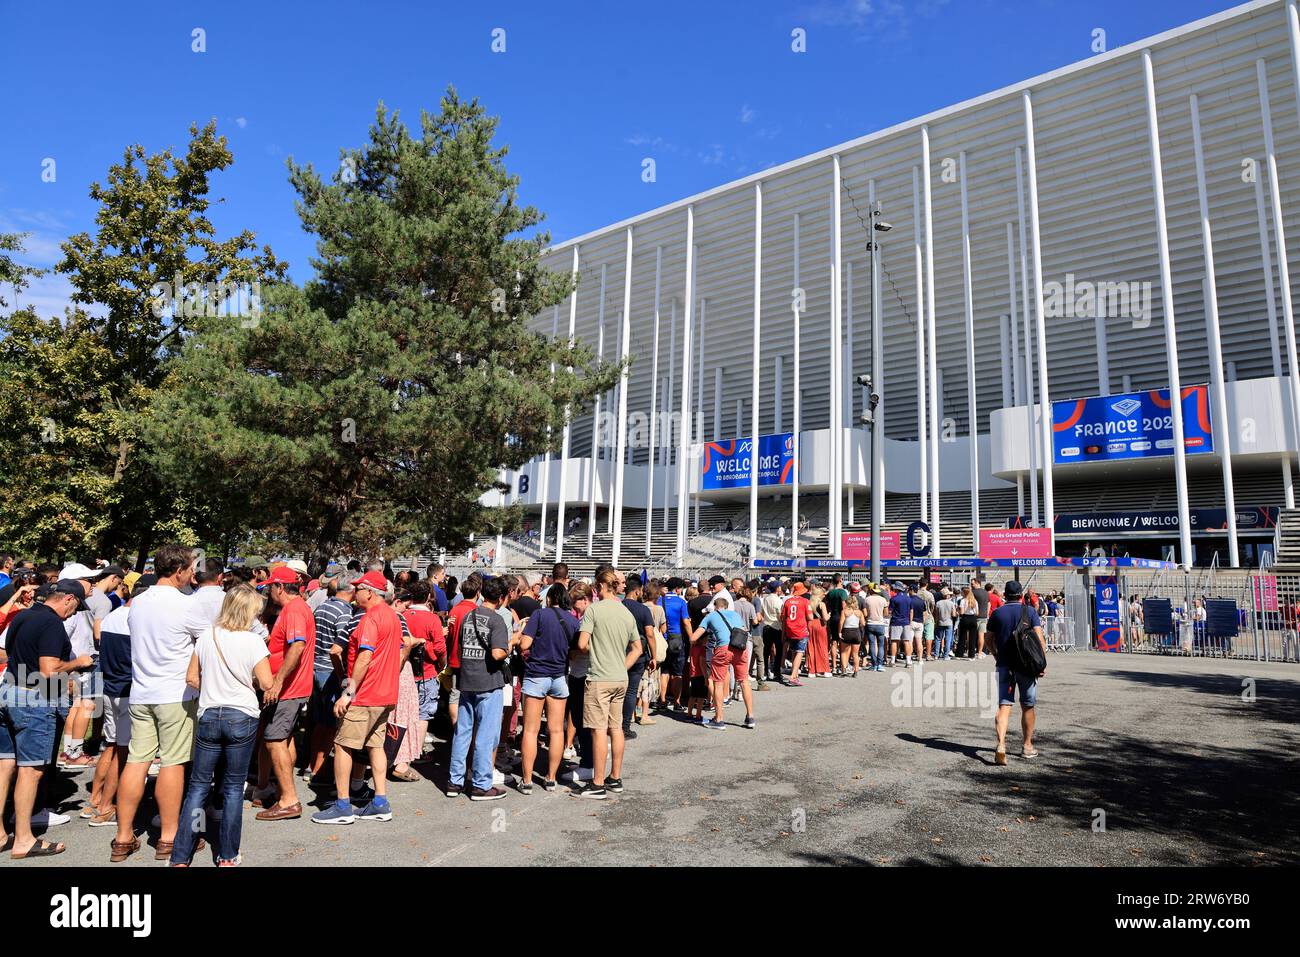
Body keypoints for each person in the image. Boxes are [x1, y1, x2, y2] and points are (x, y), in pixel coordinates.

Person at [170, 586, 273, 866]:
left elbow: (192, 678)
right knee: (232, 787)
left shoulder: (207, 636)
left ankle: (181, 854)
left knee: (198, 787)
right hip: (242, 713)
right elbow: (266, 683)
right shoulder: (253, 642)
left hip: (210, 712)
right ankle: (227, 854)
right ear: (249, 611)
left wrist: (213, 688)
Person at [112, 544, 199, 863]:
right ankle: (170, 836)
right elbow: (206, 642)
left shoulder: (138, 602)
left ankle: (122, 837)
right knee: (173, 763)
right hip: (175, 693)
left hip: (142, 692)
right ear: (178, 571)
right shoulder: (186, 604)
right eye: (190, 568)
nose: (193, 574)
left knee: (137, 761)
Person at [0, 580, 95, 859]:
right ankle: (24, 839)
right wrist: (80, 662)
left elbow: (8, 652)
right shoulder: (52, 624)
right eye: (76, 607)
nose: (74, 613)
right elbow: (49, 670)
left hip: (8, 692)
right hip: (33, 698)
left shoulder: (24, 615)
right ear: (67, 599)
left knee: (5, 765)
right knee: (31, 770)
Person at [312, 570, 408, 823]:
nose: (354, 593)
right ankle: (380, 801)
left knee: (343, 745)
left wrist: (348, 693)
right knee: (375, 745)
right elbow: (400, 651)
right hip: (385, 694)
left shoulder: (370, 619)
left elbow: (365, 656)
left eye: (358, 589)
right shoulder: (393, 616)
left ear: (370, 592)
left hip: (366, 695)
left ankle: (343, 806)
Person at [445, 576, 513, 801]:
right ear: (502, 598)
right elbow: (496, 653)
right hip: (488, 682)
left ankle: (454, 781)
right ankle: (481, 785)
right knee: (485, 734)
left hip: (466, 680)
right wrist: (509, 647)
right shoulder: (497, 621)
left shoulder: (468, 616)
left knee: (462, 732)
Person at [575, 568, 640, 799]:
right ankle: (615, 777)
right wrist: (622, 665)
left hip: (599, 677)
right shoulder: (626, 612)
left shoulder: (594, 610)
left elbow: (582, 644)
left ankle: (598, 783)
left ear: (601, 586)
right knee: (616, 728)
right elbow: (638, 648)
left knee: (598, 730)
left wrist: (598, 651)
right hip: (619, 677)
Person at [517, 583, 576, 792]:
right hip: (559, 676)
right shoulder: (572, 620)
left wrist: (521, 633)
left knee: (531, 731)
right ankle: (551, 777)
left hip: (536, 675)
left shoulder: (539, 615)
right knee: (557, 730)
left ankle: (526, 780)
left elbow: (524, 644)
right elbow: (575, 651)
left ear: (549, 598)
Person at [987, 580, 1046, 766]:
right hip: (1026, 666)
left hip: (1005, 664)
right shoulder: (1029, 611)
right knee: (1028, 705)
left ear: (1005, 595)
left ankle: (1001, 745)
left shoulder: (997, 613)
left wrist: (997, 655)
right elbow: (1040, 642)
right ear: (1021, 595)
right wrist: (1040, 665)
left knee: (1004, 705)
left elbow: (988, 639)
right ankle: (1027, 746)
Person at [308, 571, 357, 784]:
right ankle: (318, 770)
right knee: (329, 724)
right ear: (352, 590)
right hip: (329, 671)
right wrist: (342, 676)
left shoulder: (323, 605)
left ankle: (311, 765)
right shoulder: (345, 612)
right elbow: (338, 649)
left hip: (315, 668)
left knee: (319, 722)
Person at [691, 595, 754, 729]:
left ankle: (719, 719)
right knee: (744, 681)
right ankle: (750, 717)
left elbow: (693, 637)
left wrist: (701, 640)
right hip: (740, 648)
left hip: (722, 649)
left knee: (718, 683)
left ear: (715, 607)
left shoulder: (711, 616)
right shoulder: (735, 615)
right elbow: (743, 629)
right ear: (726, 606)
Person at [402, 581, 445, 768]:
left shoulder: (402, 615)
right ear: (428, 597)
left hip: (404, 670)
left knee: (403, 713)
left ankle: (400, 749)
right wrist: (440, 664)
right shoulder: (432, 619)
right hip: (426, 671)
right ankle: (416, 752)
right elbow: (440, 648)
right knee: (422, 714)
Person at [620, 576, 656, 740]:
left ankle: (612, 723)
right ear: (637, 591)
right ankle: (624, 726)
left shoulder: (618, 606)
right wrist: (654, 656)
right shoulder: (643, 610)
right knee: (631, 691)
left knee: (616, 690)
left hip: (618, 652)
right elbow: (649, 634)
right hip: (638, 654)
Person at [658, 578, 690, 710]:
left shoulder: (659, 601)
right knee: (677, 673)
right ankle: (677, 702)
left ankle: (663, 700)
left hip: (662, 638)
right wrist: (691, 637)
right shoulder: (681, 602)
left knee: (664, 670)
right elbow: (686, 622)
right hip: (677, 639)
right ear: (677, 588)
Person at [782, 582, 812, 686]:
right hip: (801, 629)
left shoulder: (788, 601)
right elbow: (810, 617)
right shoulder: (805, 601)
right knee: (800, 652)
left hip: (790, 629)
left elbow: (783, 618)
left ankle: (794, 674)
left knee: (794, 651)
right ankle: (793, 677)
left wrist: (784, 632)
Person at [758, 581, 784, 686]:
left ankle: (764, 672)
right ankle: (776, 672)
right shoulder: (778, 601)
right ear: (777, 588)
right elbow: (780, 616)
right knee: (779, 651)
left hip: (766, 626)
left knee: (766, 651)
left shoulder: (765, 599)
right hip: (776, 626)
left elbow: (762, 612)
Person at [862, 583, 889, 672]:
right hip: (880, 623)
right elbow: (886, 613)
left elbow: (865, 614)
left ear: (870, 590)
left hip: (870, 623)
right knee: (881, 645)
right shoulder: (883, 600)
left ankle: (874, 665)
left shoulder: (867, 600)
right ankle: (880, 664)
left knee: (872, 644)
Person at [824, 575, 847, 674]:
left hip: (833, 617)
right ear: (840, 580)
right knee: (842, 642)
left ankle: (833, 666)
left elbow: (827, 605)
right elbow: (844, 605)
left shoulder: (830, 593)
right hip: (841, 617)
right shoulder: (843, 592)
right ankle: (843, 666)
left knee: (833, 641)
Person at [839, 594, 863, 676]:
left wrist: (839, 632)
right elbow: (863, 623)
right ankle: (856, 671)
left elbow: (841, 622)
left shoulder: (844, 611)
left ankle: (844, 669)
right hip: (856, 632)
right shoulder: (859, 612)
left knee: (844, 652)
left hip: (847, 631)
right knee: (855, 654)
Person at [956, 585, 980, 660]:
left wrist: (959, 610)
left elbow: (962, 612)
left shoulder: (963, 601)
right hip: (973, 618)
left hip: (965, 618)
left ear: (964, 593)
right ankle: (971, 655)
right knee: (972, 637)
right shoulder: (974, 601)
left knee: (962, 636)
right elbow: (977, 613)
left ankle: (960, 654)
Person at [935, 587, 957, 660]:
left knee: (938, 639)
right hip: (949, 622)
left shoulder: (938, 603)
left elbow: (936, 615)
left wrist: (936, 622)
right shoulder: (951, 603)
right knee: (948, 639)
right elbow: (954, 615)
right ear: (947, 595)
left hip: (940, 622)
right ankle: (946, 655)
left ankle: (936, 654)